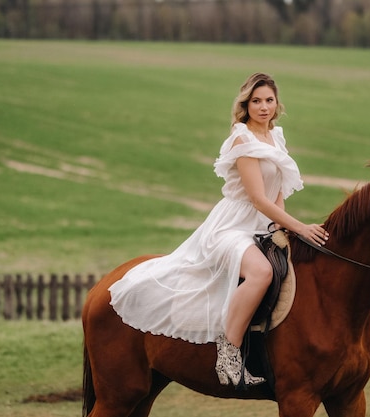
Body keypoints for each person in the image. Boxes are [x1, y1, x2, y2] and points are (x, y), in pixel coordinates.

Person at [108, 72, 329, 388]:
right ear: (246, 104)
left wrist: (286, 226)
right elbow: (256, 198)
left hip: (264, 226)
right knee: (261, 273)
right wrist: (301, 227)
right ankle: (229, 352)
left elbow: (277, 191)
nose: (263, 107)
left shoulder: (276, 137)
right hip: (233, 227)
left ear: (277, 103)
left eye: (268, 100)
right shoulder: (243, 139)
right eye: (256, 101)